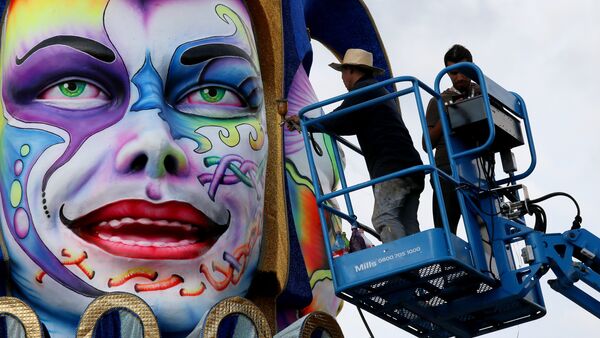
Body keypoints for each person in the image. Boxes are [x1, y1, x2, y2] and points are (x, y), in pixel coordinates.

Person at [288, 48, 424, 243]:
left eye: (343, 72)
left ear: (352, 71)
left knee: (384, 218)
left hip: (391, 168)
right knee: (407, 221)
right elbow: (347, 124)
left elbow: (337, 119)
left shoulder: (363, 91)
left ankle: (404, 266)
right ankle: (417, 260)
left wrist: (304, 122)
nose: (342, 78)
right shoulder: (378, 91)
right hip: (411, 166)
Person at [424, 44, 480, 234]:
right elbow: (427, 143)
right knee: (446, 227)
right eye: (453, 73)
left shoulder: (483, 93)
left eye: (463, 71)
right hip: (447, 167)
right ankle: (450, 261)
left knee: (487, 229)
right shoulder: (439, 100)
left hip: (479, 167)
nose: (459, 77)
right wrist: (446, 115)